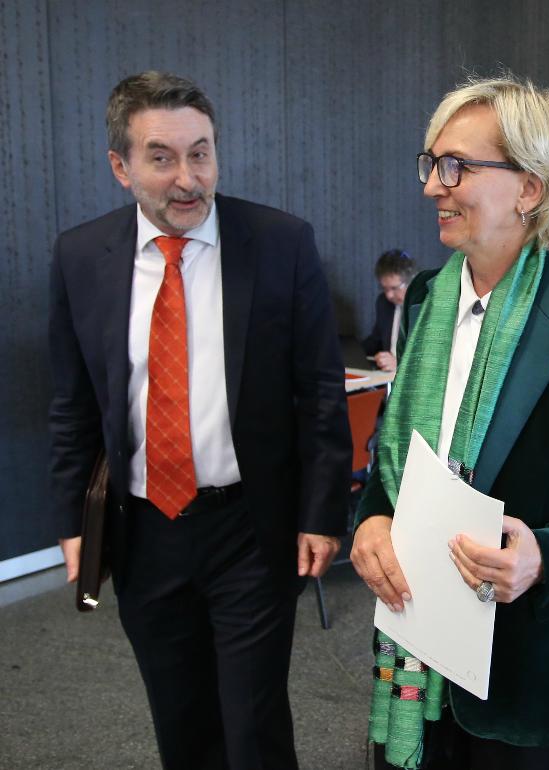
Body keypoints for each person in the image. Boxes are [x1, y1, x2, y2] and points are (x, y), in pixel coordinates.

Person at [349, 75, 549, 770]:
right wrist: (372, 517)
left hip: (538, 669)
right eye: (431, 163)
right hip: (417, 648)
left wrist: (547, 552)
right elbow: (397, 456)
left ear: (530, 188)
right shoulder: (429, 299)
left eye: (456, 166)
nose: (434, 185)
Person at [47, 71, 352, 768]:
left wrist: (320, 511)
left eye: (201, 153)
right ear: (120, 168)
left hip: (249, 529)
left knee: (253, 726)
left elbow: (320, 390)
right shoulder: (79, 257)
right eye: (161, 157)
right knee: (180, 722)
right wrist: (73, 521)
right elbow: (71, 404)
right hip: (143, 531)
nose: (188, 179)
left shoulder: (279, 242)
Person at [362, 248, 417, 371]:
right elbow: (375, 340)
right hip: (389, 378)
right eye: (385, 288)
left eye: (394, 288)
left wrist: (400, 363)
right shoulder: (384, 303)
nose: (389, 295)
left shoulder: (432, 306)